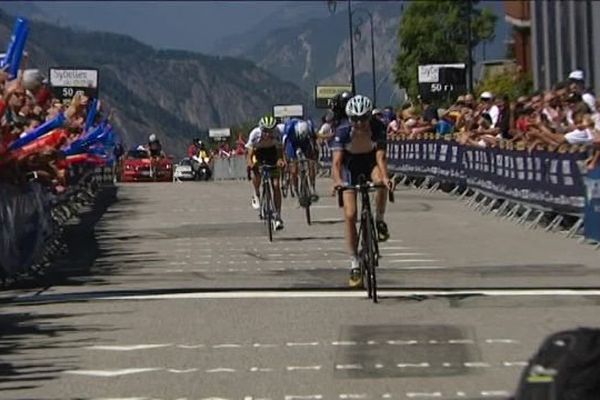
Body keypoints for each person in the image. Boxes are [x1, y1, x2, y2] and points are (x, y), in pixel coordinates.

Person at [331, 94, 392, 288]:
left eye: (363, 119)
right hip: (350, 166)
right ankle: (354, 261)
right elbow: (336, 163)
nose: (359, 124)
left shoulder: (378, 127)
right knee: (350, 214)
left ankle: (379, 219)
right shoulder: (342, 131)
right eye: (355, 120)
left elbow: (381, 157)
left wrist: (386, 178)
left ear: (370, 117)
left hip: (370, 162)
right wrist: (338, 181)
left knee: (380, 182)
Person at [246, 115, 285, 230]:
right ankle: (256, 193)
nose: (268, 134)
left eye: (270, 131)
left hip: (272, 152)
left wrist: (281, 160)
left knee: (276, 185)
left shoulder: (278, 133)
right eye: (265, 131)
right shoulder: (255, 134)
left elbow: (280, 150)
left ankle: (278, 216)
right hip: (258, 152)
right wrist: (251, 164)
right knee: (256, 171)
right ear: (261, 129)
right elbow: (249, 154)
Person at [282, 116, 318, 200]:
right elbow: (284, 143)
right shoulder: (289, 127)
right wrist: (285, 158)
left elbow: (313, 141)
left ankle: (312, 186)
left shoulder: (308, 126)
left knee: (311, 162)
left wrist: (313, 157)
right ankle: (296, 188)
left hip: (305, 142)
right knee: (294, 169)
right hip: (292, 143)